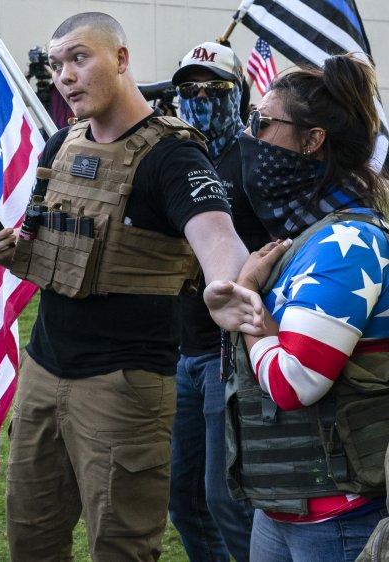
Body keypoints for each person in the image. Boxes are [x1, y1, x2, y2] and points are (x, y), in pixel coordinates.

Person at [0, 13, 261, 561]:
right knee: (30, 538)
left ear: (122, 60)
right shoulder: (60, 144)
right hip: (42, 370)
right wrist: (10, 250)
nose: (64, 76)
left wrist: (225, 282)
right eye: (57, 65)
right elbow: (50, 241)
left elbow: (217, 234)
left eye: (80, 58)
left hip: (123, 386)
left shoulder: (173, 155)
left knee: (121, 547)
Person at [206, 54, 389, 562]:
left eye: (262, 124)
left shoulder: (347, 242)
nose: (250, 137)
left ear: (312, 141)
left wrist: (248, 309)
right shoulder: (307, 237)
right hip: (284, 507)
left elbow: (294, 381)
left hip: (340, 518)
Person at [167, 41, 263, 562]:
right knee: (181, 499)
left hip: (228, 353)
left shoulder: (255, 159)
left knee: (224, 498)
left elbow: (284, 246)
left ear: (238, 95)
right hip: (180, 351)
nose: (198, 99)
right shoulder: (178, 156)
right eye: (187, 90)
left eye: (212, 89)